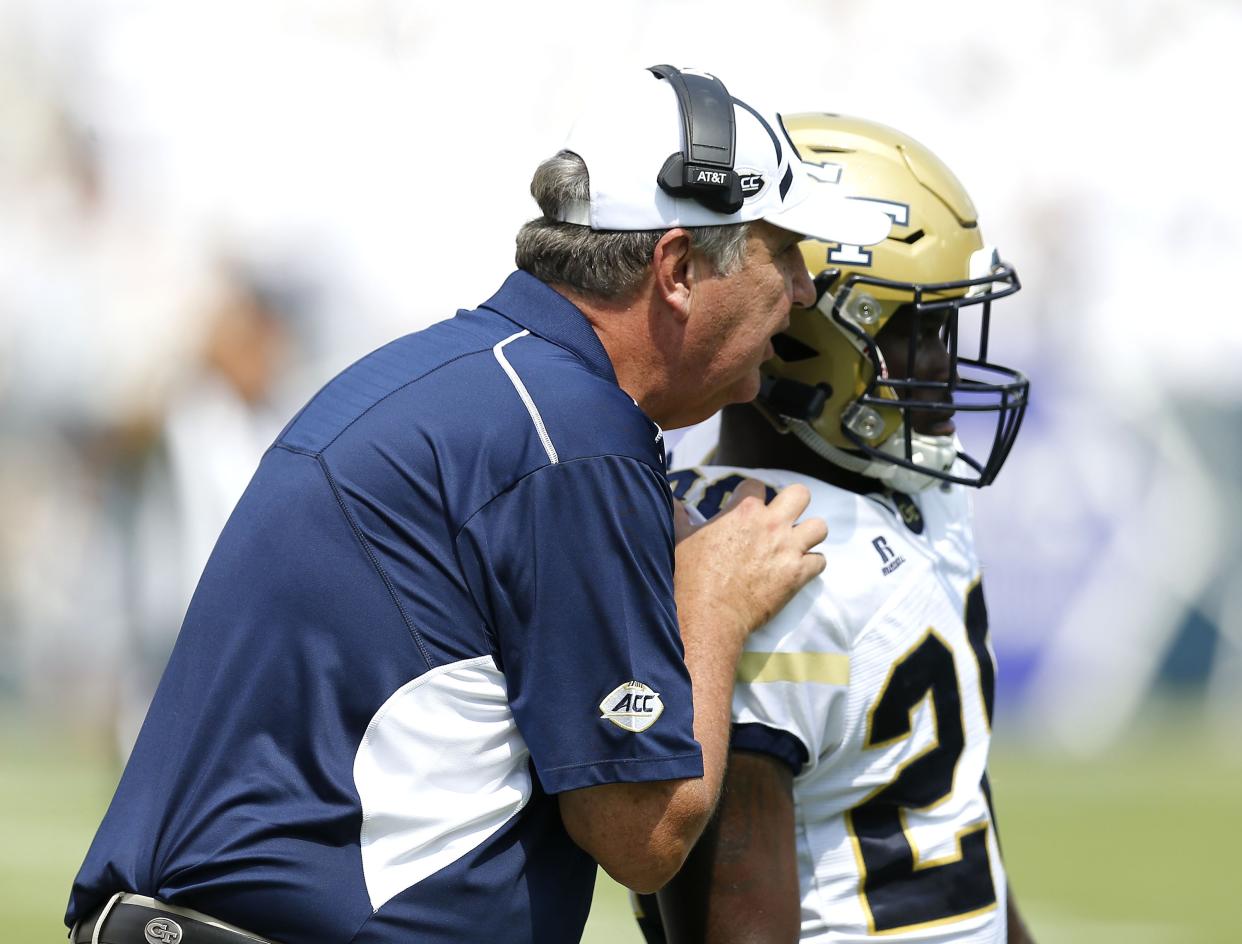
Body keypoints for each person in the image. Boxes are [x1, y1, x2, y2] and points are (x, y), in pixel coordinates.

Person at [64, 69, 893, 944]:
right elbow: (644, 831)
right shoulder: (569, 433)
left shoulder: (478, 379)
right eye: (786, 253)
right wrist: (715, 601)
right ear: (679, 268)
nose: (803, 292)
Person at [634, 114, 1037, 942]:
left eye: (949, 327)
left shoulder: (914, 498)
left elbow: (960, 821)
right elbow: (737, 923)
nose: (946, 370)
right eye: (915, 334)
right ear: (801, 334)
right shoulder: (761, 557)